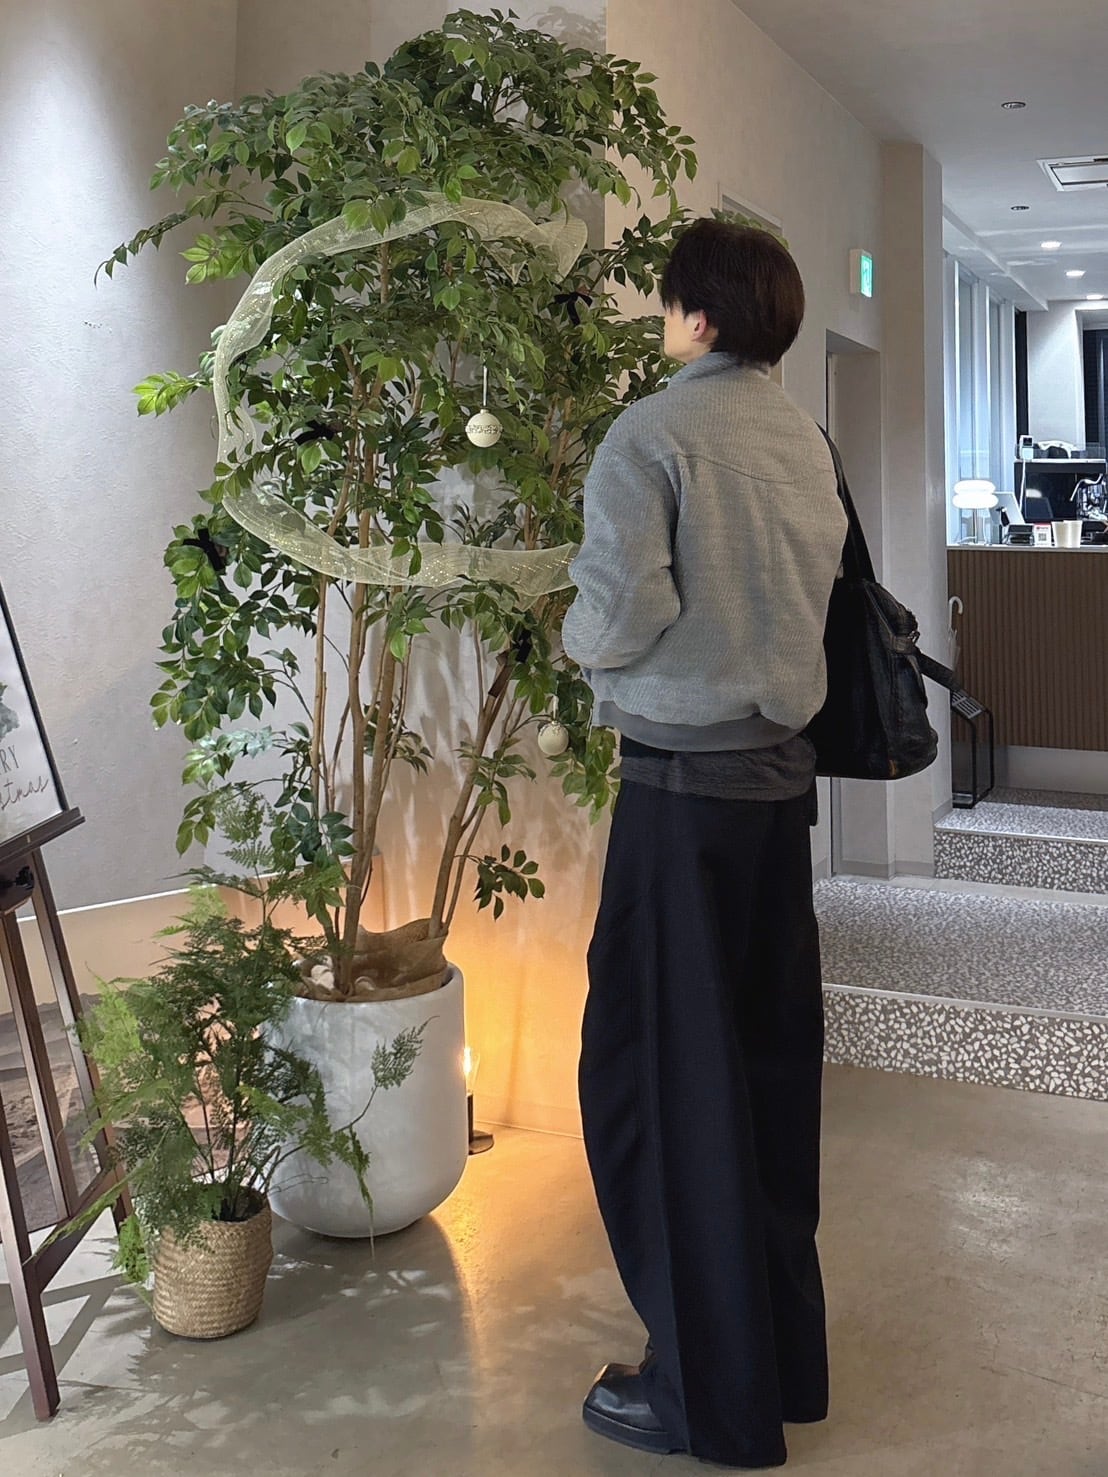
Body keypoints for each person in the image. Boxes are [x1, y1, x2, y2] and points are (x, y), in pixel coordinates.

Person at [562, 218, 848, 1469]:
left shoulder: (652, 434)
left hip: (679, 798)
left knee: (661, 1087)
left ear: (702, 316)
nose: (662, 315)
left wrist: (571, 637)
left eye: (670, 298)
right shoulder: (803, 438)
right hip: (779, 797)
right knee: (765, 1080)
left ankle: (704, 1400)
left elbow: (624, 609)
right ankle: (782, 1366)